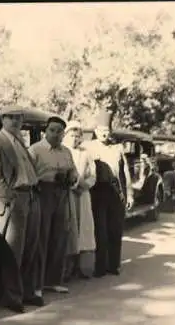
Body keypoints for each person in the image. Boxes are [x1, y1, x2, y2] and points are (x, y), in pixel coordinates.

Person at [0, 106, 45, 313]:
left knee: (31, 247)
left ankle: (26, 292)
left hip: (30, 195)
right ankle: (11, 296)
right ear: (2, 119)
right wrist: (9, 198)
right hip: (13, 199)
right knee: (12, 252)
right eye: (11, 118)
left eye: (19, 118)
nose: (16, 121)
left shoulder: (20, 142)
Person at [29, 116, 78, 294]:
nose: (56, 134)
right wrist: (45, 180)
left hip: (62, 193)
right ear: (45, 131)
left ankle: (53, 280)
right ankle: (36, 284)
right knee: (41, 237)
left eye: (60, 131)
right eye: (52, 130)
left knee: (59, 237)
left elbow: (74, 171)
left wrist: (71, 177)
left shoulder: (66, 151)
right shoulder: (35, 150)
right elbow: (28, 175)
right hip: (42, 194)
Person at [81, 109, 134, 277]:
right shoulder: (88, 147)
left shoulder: (117, 148)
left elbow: (125, 172)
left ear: (110, 132)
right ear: (96, 131)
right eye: (101, 130)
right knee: (100, 230)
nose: (104, 134)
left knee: (115, 229)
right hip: (97, 191)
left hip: (115, 191)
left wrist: (130, 193)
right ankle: (100, 266)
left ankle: (114, 265)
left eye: (107, 131)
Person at [62, 120, 97, 279]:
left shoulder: (85, 153)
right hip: (66, 194)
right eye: (72, 135)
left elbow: (92, 175)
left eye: (78, 136)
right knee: (68, 228)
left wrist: (85, 185)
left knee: (83, 229)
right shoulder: (62, 151)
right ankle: (66, 268)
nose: (75, 139)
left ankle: (83, 267)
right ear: (66, 135)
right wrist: (71, 184)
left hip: (82, 194)